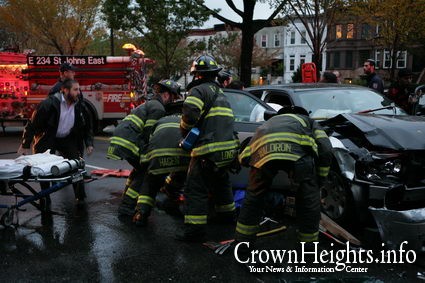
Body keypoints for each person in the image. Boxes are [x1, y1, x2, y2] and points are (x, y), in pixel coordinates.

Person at [235, 105, 332, 247]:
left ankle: (243, 242)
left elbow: (245, 155)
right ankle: (308, 245)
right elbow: (325, 147)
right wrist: (320, 178)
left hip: (264, 154)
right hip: (298, 154)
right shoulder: (308, 121)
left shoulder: (267, 124)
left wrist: (253, 174)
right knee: (308, 200)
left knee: (253, 198)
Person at [176, 54, 239, 241]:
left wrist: (184, 132)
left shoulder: (198, 91)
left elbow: (189, 116)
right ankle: (227, 218)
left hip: (207, 151)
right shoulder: (222, 94)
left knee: (196, 189)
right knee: (222, 184)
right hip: (228, 151)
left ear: (198, 75)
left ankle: (194, 231)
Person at [108, 79, 180, 218]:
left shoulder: (151, 103)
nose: (173, 101)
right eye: (173, 97)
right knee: (145, 172)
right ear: (166, 94)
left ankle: (126, 200)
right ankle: (127, 206)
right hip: (129, 141)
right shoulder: (159, 108)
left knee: (138, 170)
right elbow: (149, 134)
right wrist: (149, 156)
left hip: (123, 138)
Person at [18, 78, 94, 205]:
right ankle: (45, 197)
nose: (79, 92)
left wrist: (89, 143)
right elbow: (32, 124)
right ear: (64, 90)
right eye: (75, 90)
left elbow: (86, 126)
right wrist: (25, 144)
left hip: (66, 139)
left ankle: (80, 198)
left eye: (79, 89)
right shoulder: (49, 104)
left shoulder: (80, 105)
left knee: (76, 165)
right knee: (44, 170)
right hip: (48, 138)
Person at [132, 115, 191, 226]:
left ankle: (141, 214)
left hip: (158, 156)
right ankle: (173, 195)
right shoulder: (185, 121)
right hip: (182, 155)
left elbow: (149, 143)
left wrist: (147, 167)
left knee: (150, 183)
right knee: (181, 173)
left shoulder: (159, 122)